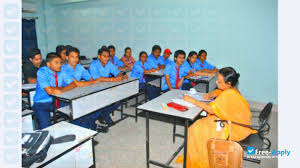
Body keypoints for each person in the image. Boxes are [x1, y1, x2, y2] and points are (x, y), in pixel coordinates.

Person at [176, 67, 256, 168]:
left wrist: (192, 100)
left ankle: (201, 161)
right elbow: (218, 92)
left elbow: (210, 109)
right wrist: (210, 94)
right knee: (198, 124)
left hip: (234, 127)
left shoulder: (229, 94)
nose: (217, 83)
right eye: (217, 80)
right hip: (231, 121)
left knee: (194, 129)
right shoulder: (231, 89)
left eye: (219, 81)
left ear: (228, 84)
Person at [33, 52, 77, 129]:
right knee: (46, 128)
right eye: (56, 63)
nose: (59, 65)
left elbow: (73, 84)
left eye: (60, 62)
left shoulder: (61, 71)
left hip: (58, 100)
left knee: (77, 113)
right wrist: (62, 88)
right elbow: (49, 91)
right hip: (42, 103)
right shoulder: (42, 72)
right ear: (48, 64)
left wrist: (62, 90)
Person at [89, 47, 128, 126]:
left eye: (108, 56)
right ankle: (101, 115)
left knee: (119, 98)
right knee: (103, 101)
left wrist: (121, 76)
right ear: (99, 56)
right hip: (94, 89)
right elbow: (97, 78)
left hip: (106, 87)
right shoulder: (93, 64)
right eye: (104, 56)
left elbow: (117, 72)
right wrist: (112, 79)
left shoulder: (109, 63)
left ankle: (104, 113)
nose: (107, 58)